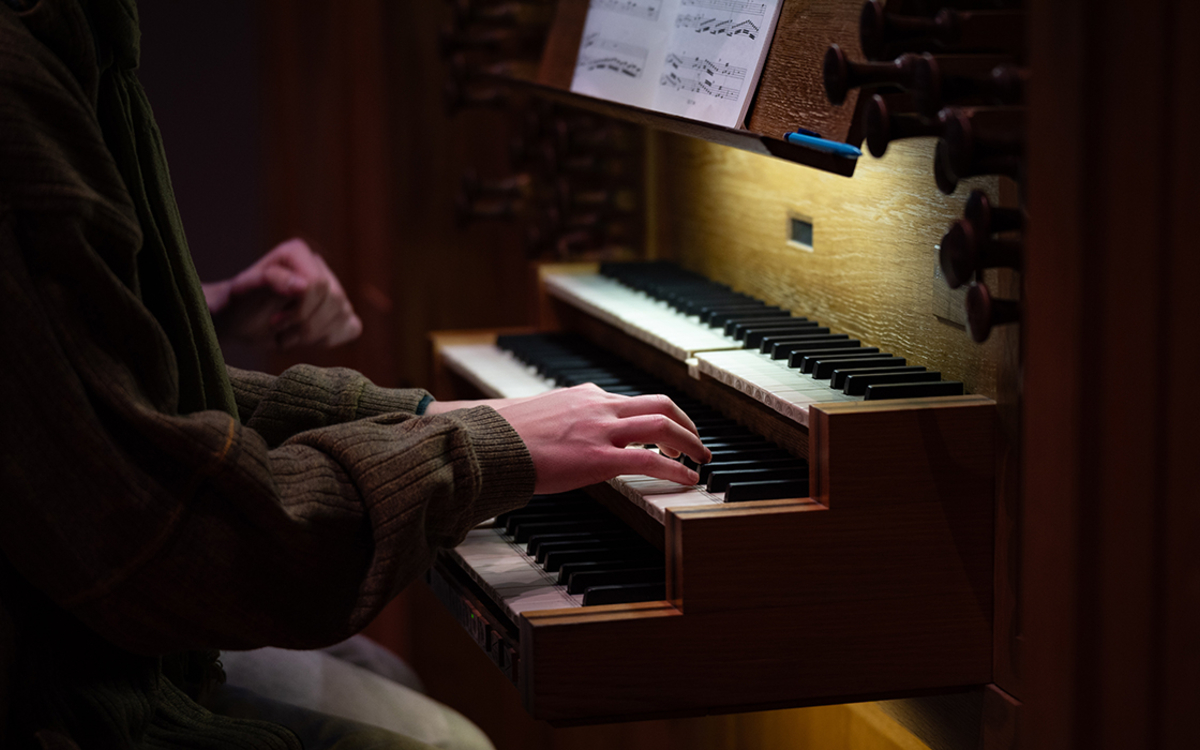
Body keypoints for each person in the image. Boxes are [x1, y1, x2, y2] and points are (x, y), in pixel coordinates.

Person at [0, 2, 711, 749]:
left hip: (89, 628)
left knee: (386, 678)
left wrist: (420, 417)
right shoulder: (17, 82)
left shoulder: (74, 29)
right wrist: (471, 447)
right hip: (57, 686)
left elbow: (95, 381)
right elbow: (179, 546)